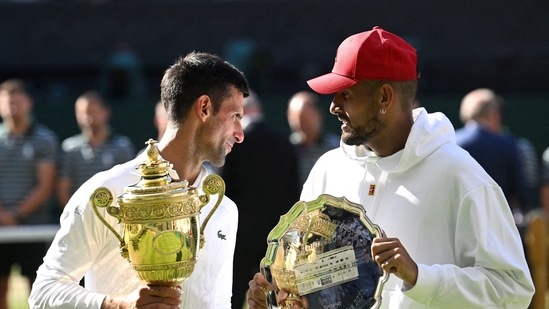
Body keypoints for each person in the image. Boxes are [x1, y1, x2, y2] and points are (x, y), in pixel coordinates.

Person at [247, 26, 534, 308]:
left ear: (385, 97)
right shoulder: (328, 169)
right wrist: (279, 296)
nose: (333, 106)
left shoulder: (461, 176)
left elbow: (513, 290)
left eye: (345, 93)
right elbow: (312, 276)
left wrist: (420, 277)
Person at [28, 51, 250, 308]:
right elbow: (43, 294)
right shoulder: (107, 193)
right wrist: (118, 305)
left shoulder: (224, 209)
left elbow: (219, 302)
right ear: (204, 108)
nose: (240, 134)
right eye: (235, 116)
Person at [219, 90, 301, 309]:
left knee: (234, 296)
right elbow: (294, 190)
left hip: (241, 235)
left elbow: (227, 190)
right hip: (278, 236)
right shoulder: (285, 142)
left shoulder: (233, 145)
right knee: (279, 296)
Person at [0, 79, 59, 309]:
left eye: (17, 101)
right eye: (6, 101)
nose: (12, 107)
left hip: (33, 228)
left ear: (29, 103)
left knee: (36, 289)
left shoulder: (44, 139)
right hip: (1, 228)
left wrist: (14, 215)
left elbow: (45, 186)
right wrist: (3, 216)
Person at [455, 89, 529, 222]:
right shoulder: (508, 144)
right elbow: (520, 192)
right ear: (493, 115)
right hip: (498, 223)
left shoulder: (451, 143)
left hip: (459, 222)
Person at [57, 90, 136, 207]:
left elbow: (129, 185)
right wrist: (75, 215)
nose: (87, 118)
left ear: (105, 112)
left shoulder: (123, 146)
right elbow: (63, 187)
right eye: (82, 113)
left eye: (92, 112)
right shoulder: (69, 148)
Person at [286, 91, 340, 186]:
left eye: (306, 119)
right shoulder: (286, 148)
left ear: (319, 115)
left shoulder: (336, 147)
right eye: (295, 119)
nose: (300, 125)